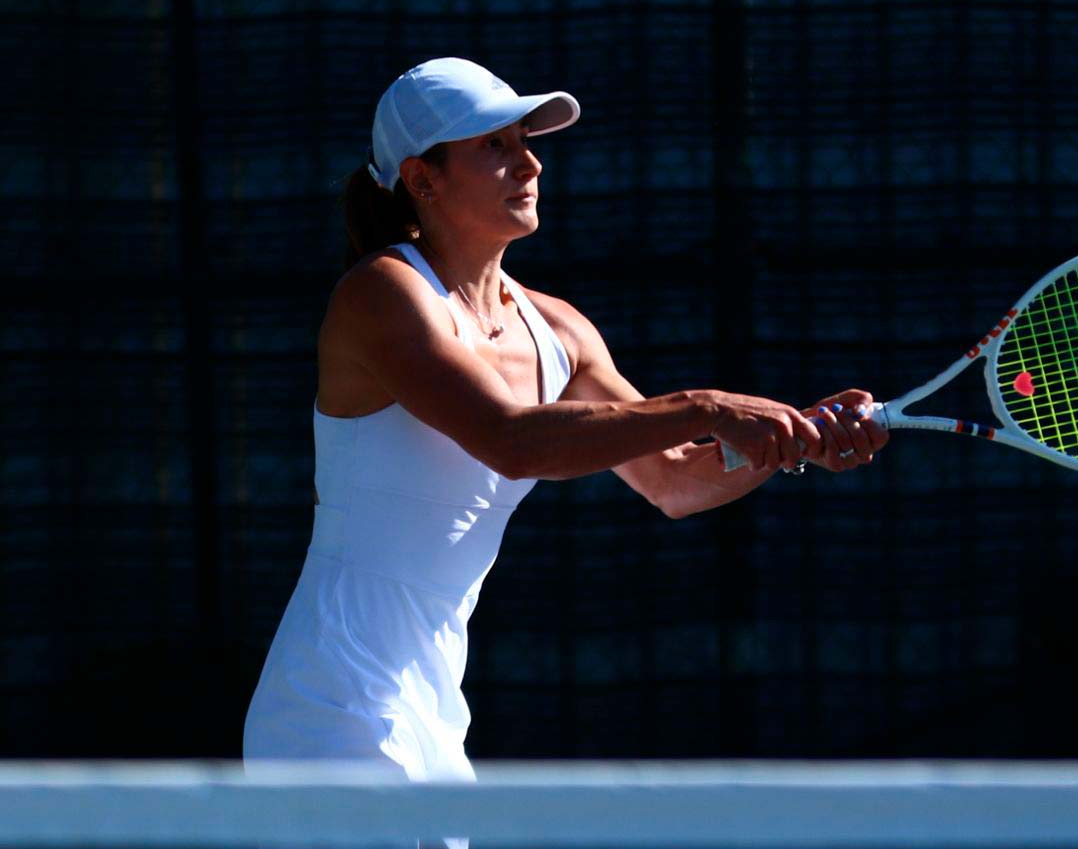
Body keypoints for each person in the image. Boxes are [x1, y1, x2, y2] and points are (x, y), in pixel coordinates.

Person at [242, 58, 888, 792]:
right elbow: (513, 440)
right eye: (495, 145)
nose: (530, 160)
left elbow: (674, 478)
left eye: (526, 139)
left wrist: (784, 440)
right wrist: (709, 406)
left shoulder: (558, 329)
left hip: (432, 712)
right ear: (423, 179)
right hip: (328, 704)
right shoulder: (382, 294)